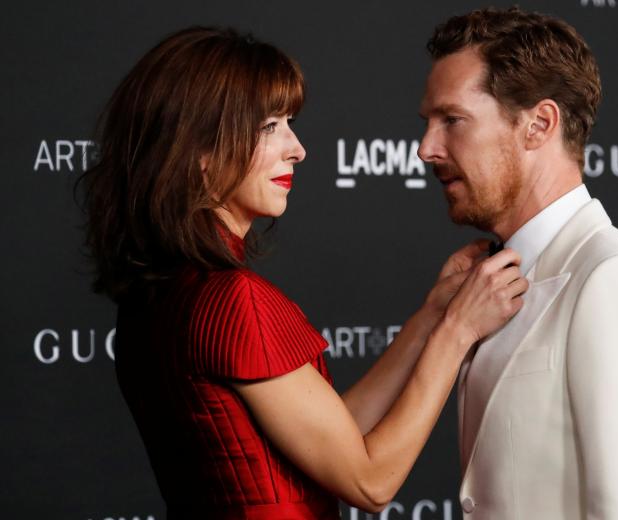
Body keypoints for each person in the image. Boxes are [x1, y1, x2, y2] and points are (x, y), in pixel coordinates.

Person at [79, 26, 528, 520]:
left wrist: (429, 319)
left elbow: (330, 441)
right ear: (201, 151)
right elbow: (370, 481)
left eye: (288, 122)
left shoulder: (161, 293)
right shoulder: (233, 299)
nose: (297, 149)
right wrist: (457, 331)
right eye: (269, 126)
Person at [417, 7, 618, 520]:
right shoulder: (493, 278)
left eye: (452, 120)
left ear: (539, 124)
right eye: (429, 123)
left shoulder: (615, 280)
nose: (426, 149)